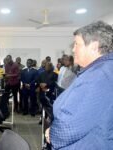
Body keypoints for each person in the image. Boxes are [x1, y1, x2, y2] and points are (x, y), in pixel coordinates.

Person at [46, 21, 113, 149]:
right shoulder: (101, 70)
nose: (73, 49)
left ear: (94, 46)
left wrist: (53, 134)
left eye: (77, 44)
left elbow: (69, 127)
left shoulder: (99, 76)